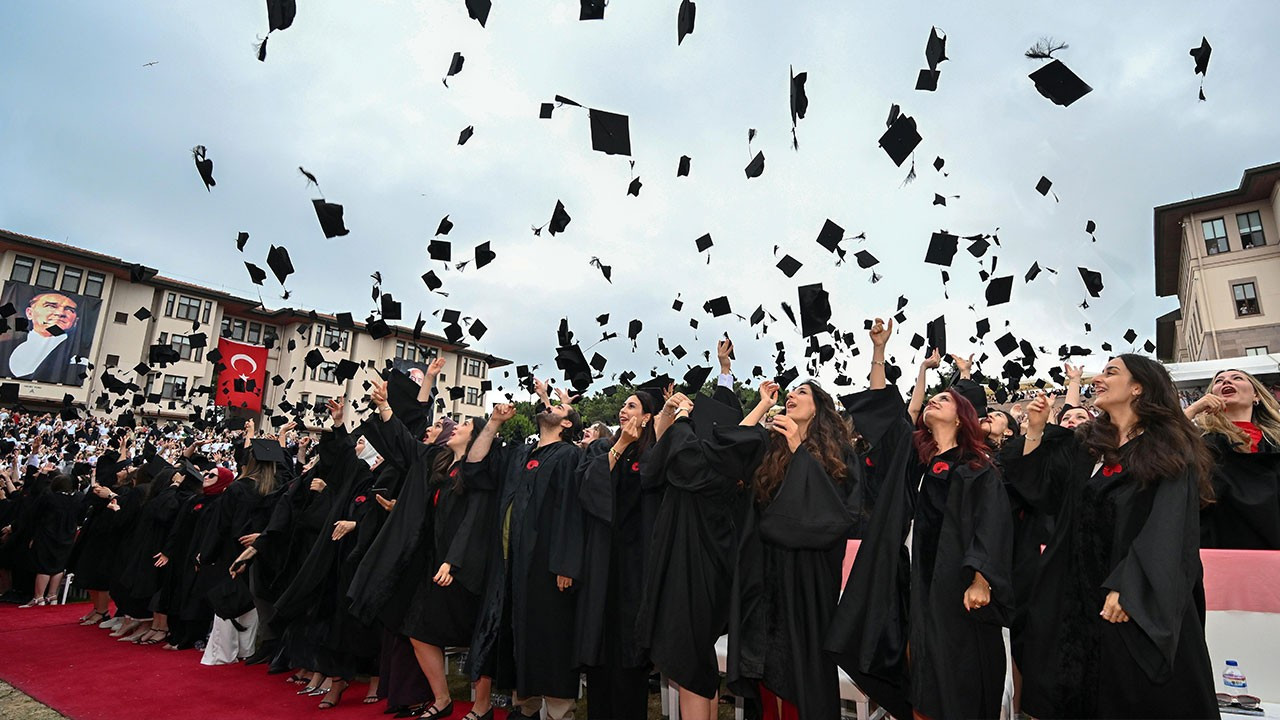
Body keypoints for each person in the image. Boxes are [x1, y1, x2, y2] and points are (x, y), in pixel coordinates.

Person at [1004, 354, 1217, 718]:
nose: (1099, 378)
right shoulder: (1087, 447)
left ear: (1138, 388)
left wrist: (1130, 585)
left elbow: (1169, 523)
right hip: (1079, 597)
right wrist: (1036, 430)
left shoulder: (1167, 447)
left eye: (1111, 372)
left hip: (1131, 598)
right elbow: (1043, 494)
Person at [830, 317, 1013, 720]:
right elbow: (884, 413)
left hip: (954, 590)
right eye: (933, 397)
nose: (934, 400)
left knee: (956, 684)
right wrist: (879, 350)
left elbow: (993, 524)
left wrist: (982, 579)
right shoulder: (914, 457)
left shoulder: (975, 467)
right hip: (909, 587)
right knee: (919, 684)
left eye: (944, 399)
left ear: (962, 417)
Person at [712, 374, 863, 720]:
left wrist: (799, 448)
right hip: (766, 571)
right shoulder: (772, 450)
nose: (791, 395)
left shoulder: (840, 455)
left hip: (809, 573)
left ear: (819, 408)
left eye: (802, 392)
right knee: (764, 663)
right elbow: (728, 447)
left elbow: (837, 515)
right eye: (790, 392)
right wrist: (763, 404)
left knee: (801, 670)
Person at [635, 339, 747, 720]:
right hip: (695, 571)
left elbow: (680, 454)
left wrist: (681, 418)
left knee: (688, 664)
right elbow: (652, 465)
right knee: (698, 663)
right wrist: (722, 370)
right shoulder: (716, 461)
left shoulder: (708, 466)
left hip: (695, 574)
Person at [465, 380, 585, 720]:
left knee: (550, 640)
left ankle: (560, 712)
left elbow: (572, 510)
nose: (548, 407)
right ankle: (525, 708)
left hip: (547, 567)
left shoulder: (569, 455)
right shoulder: (520, 453)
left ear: (566, 424)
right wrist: (494, 423)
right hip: (510, 568)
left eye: (559, 408)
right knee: (518, 640)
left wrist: (566, 564)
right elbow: (474, 465)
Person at [575, 388, 660, 720]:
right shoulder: (605, 448)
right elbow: (588, 487)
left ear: (647, 417)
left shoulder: (652, 453)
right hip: (602, 559)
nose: (624, 410)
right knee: (599, 641)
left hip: (636, 564)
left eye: (632, 406)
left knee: (629, 649)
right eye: (623, 405)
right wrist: (621, 443)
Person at [1186, 368, 1280, 548]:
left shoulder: (1275, 441)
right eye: (1218, 381)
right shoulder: (1198, 442)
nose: (1226, 381)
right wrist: (1193, 410)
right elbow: (1154, 451)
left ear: (1256, 396)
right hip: (1219, 547)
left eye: (1237, 378)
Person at [15, 473, 78, 607]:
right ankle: (52, 595)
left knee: (43, 567)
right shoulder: (76, 499)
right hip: (66, 537)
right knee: (58, 567)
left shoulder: (48, 497)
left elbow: (34, 514)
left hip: (47, 536)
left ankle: (38, 597)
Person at [0, 291, 88, 384]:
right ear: (30, 313)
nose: (60, 313)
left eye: (69, 310)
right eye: (51, 306)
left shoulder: (83, 353)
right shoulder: (3, 347)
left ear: (76, 321)